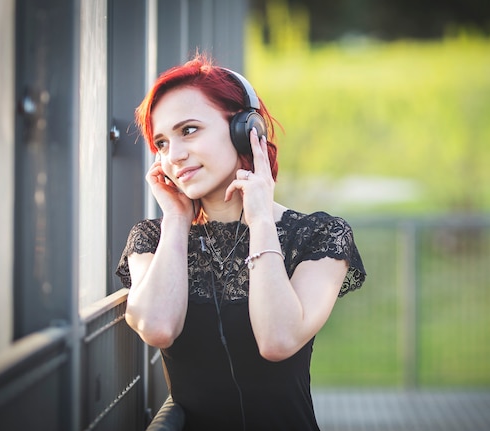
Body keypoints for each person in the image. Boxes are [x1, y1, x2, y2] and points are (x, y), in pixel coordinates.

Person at [115, 53, 366, 431]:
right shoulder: (154, 238)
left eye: (189, 130)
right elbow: (158, 327)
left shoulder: (320, 236)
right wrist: (177, 221)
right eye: (162, 143)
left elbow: (278, 340)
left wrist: (261, 220)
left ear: (246, 131)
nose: (175, 156)